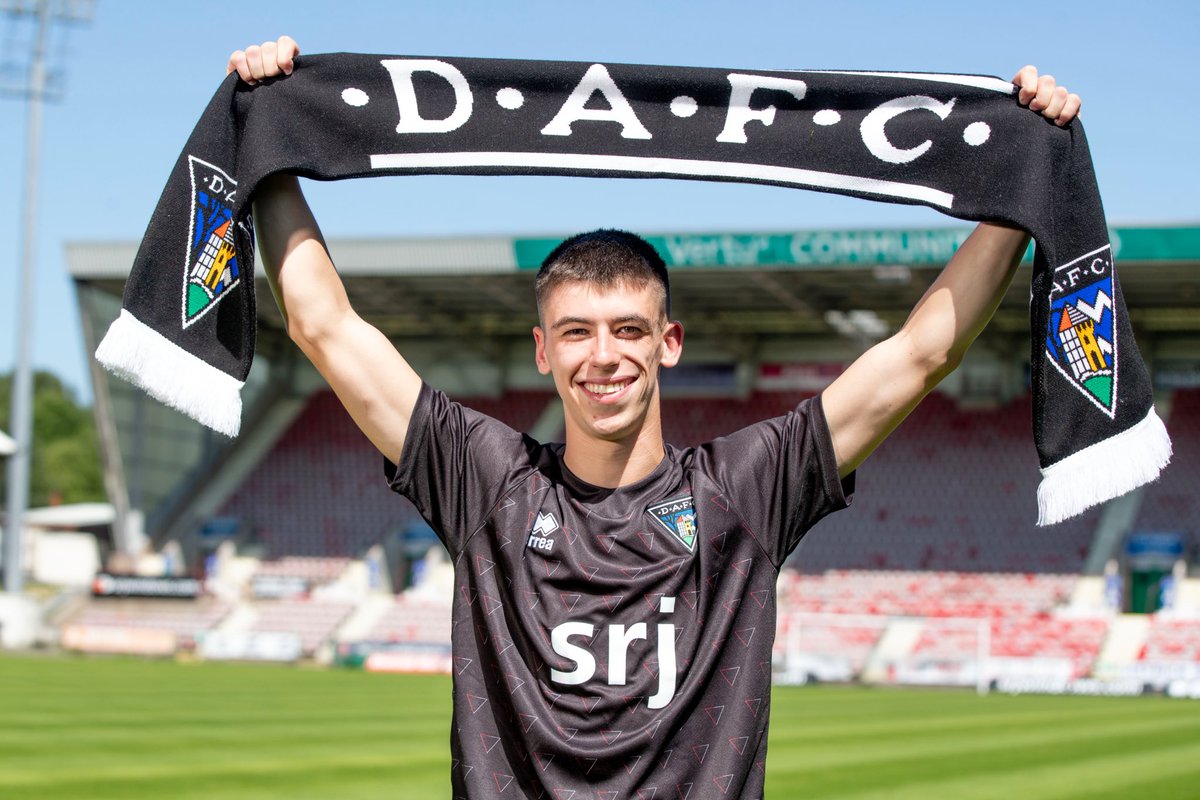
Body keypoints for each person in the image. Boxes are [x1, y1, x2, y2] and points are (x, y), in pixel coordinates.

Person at [230, 37, 1080, 799]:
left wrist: (1022, 176)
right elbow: (322, 324)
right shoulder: (486, 481)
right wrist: (270, 139)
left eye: (628, 329)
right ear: (542, 351)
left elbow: (921, 354)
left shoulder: (744, 491)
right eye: (576, 332)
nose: (603, 356)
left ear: (669, 342)